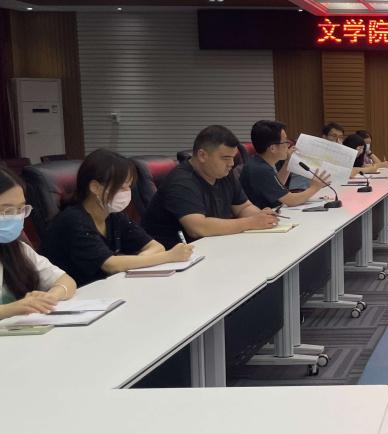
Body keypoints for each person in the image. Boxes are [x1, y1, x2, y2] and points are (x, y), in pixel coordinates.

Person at [42, 150, 194, 287]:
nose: (127, 192)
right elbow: (110, 265)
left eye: (129, 186)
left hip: (106, 288)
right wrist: (168, 257)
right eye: (121, 187)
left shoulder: (113, 215)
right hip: (74, 296)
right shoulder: (73, 220)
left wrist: (137, 262)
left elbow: (156, 246)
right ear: (95, 187)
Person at [143, 125, 278, 249]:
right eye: (225, 158)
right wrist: (250, 222)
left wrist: (262, 217)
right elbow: (197, 228)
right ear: (202, 155)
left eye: (233, 157)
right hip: (173, 257)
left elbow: (243, 207)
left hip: (212, 247)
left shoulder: (225, 174)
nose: (231, 163)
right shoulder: (181, 181)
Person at [0, 165, 77, 320]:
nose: (16, 217)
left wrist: (49, 297)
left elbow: (66, 281)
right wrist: (12, 309)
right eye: (7, 211)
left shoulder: (16, 249)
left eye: (20, 209)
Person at [241, 120, 331, 210]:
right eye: (285, 142)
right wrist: (315, 187)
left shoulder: (258, 162)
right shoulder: (260, 169)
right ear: (272, 148)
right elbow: (291, 200)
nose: (288, 145)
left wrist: (288, 162)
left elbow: (277, 185)